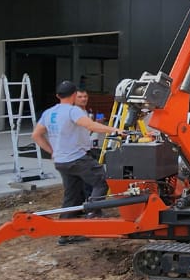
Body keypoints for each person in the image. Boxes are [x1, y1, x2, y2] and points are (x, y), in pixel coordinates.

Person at [32, 80, 128, 245]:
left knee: (72, 196)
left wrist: (52, 151)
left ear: (57, 96)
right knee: (102, 180)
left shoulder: (49, 112)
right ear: (75, 95)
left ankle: (65, 233)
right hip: (76, 158)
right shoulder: (72, 111)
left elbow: (36, 135)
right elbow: (91, 125)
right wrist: (116, 130)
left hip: (61, 161)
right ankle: (93, 214)